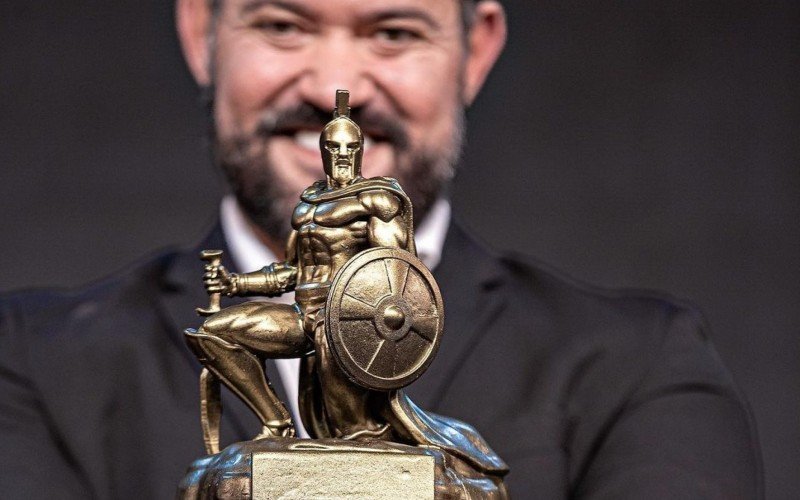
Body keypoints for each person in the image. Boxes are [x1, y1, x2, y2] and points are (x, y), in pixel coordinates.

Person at [0, 0, 761, 498]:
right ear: (202, 31)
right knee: (222, 333)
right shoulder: (30, 357)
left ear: (476, 46)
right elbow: (295, 274)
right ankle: (270, 426)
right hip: (301, 312)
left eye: (394, 31)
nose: (337, 81)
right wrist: (237, 284)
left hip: (363, 331)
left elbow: (391, 278)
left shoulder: (640, 363)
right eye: (282, 24)